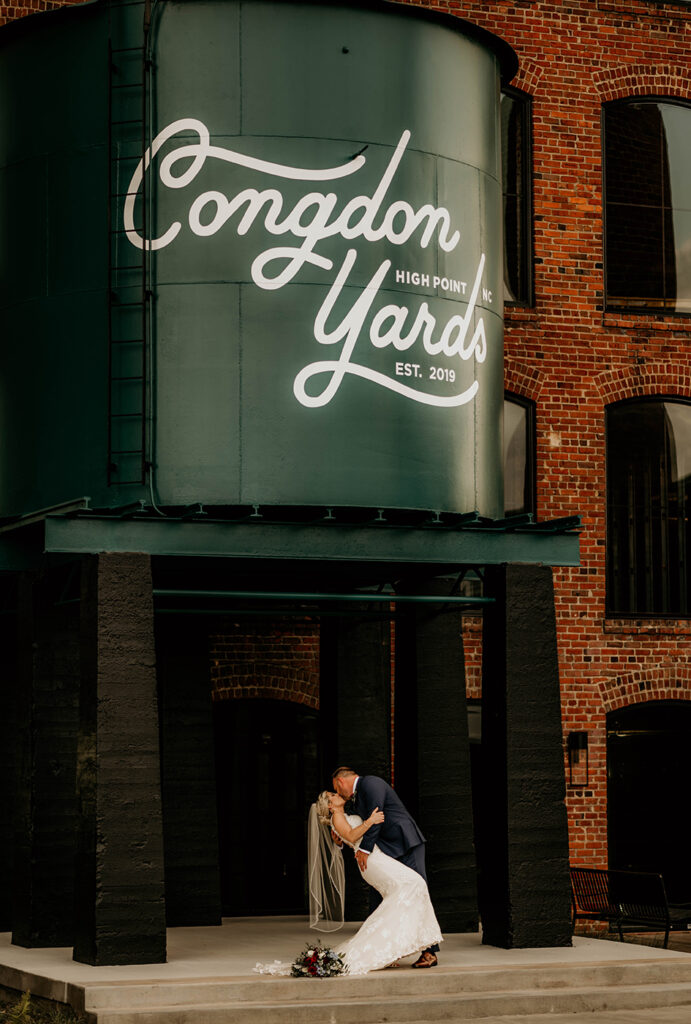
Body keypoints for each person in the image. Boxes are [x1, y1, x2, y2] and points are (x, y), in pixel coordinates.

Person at [314, 787, 442, 975]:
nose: (336, 794)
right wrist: (369, 822)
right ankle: (408, 946)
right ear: (331, 806)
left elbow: (344, 837)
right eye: (332, 795)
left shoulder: (343, 816)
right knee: (414, 884)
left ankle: (394, 947)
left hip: (377, 857)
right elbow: (350, 836)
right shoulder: (337, 817)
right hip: (372, 861)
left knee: (401, 895)